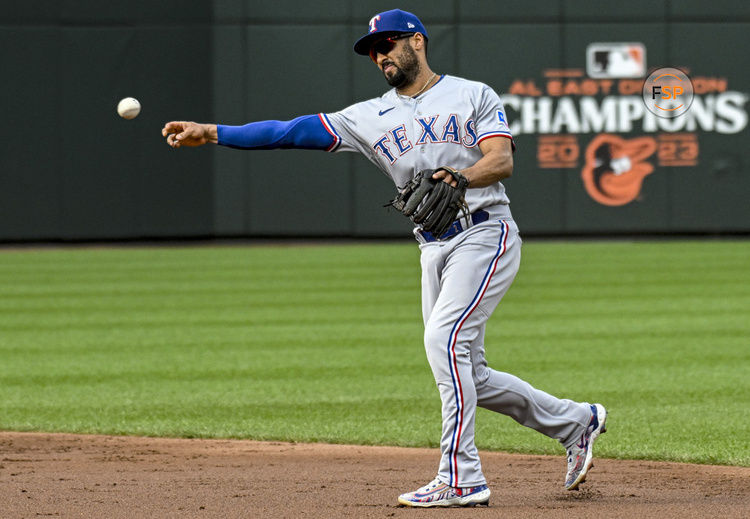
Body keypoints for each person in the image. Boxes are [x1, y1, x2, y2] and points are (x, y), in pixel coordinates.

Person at [161, 9, 607, 508]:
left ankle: (461, 476)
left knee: (444, 340)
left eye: (388, 43)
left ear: (417, 42)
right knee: (468, 373)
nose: (379, 55)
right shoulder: (367, 117)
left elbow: (501, 160)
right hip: (432, 247)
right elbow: (290, 131)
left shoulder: (472, 94)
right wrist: (214, 131)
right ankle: (576, 422)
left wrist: (460, 178)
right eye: (372, 50)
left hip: (485, 234)